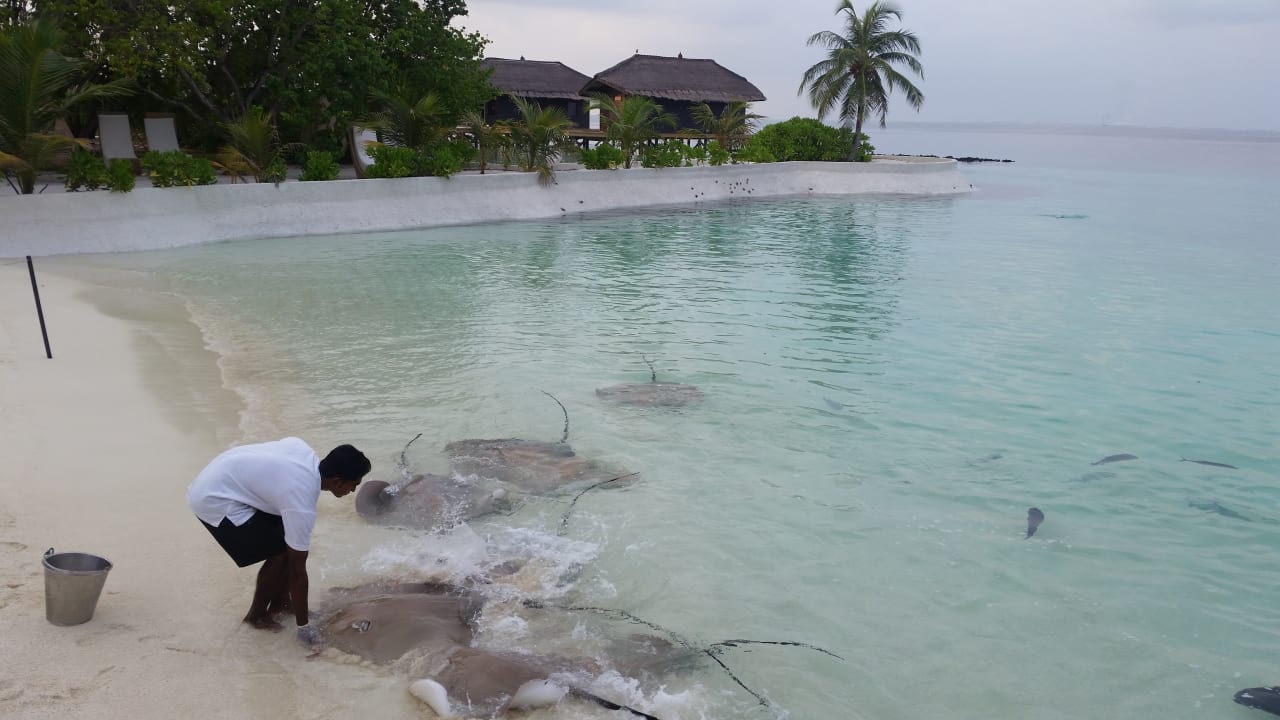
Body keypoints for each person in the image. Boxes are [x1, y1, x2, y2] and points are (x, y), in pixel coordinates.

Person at [187, 437, 371, 646]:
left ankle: (281, 603)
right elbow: (297, 569)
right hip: (213, 498)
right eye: (354, 484)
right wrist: (304, 627)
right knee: (281, 555)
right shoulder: (300, 500)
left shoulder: (302, 450)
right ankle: (256, 616)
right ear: (337, 481)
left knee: (285, 542)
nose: (353, 491)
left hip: (220, 477)